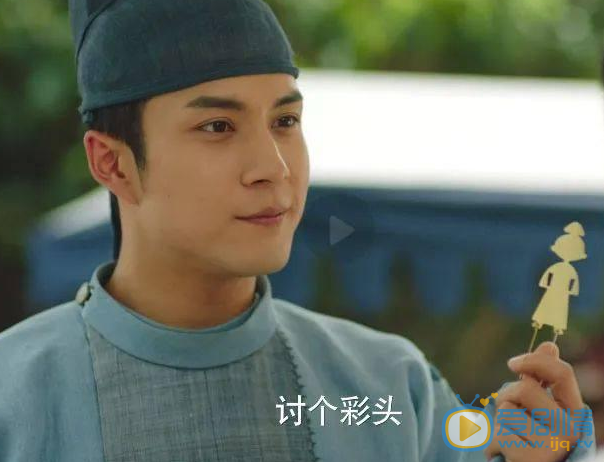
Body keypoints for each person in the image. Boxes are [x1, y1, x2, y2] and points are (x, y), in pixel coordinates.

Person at [0, 0, 596, 461]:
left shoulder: (388, 388)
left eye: (285, 120)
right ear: (112, 164)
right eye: (216, 126)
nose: (274, 167)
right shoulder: (15, 399)